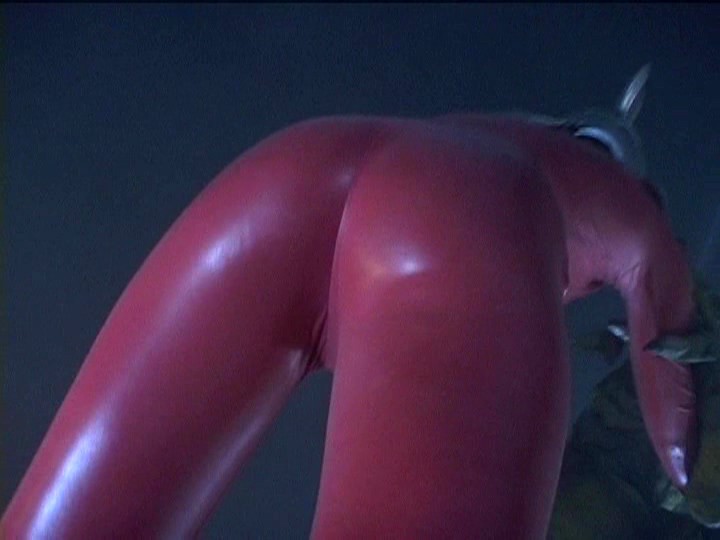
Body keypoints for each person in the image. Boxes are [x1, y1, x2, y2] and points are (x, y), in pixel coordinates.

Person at [1, 67, 701, 538]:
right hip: (464, 217)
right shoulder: (625, 202)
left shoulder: (487, 127)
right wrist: (682, 463)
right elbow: (670, 339)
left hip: (298, 166)